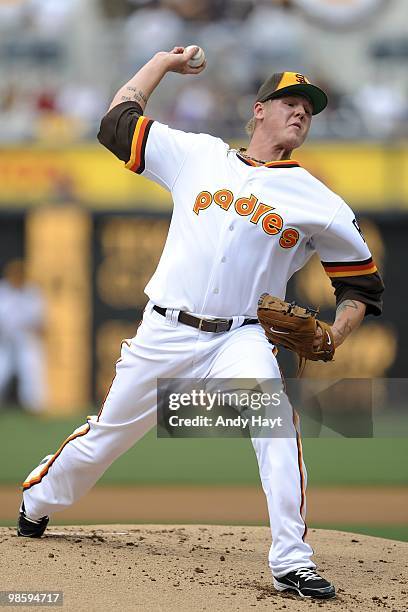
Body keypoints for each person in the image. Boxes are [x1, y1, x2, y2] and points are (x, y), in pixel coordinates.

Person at [18, 47, 384, 600]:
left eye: (309, 108)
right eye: (290, 101)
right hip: (164, 329)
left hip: (239, 337)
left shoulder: (318, 200)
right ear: (258, 110)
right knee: (107, 439)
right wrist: (161, 65)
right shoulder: (198, 155)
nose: (301, 112)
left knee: (277, 430)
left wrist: (337, 334)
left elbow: (361, 284)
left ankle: (291, 560)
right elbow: (116, 123)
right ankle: (37, 501)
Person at [0, 259, 46, 413]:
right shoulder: (3, 291)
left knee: (31, 370)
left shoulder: (32, 292)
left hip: (26, 339)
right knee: (2, 370)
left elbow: (40, 320)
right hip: (4, 339)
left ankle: (35, 407)